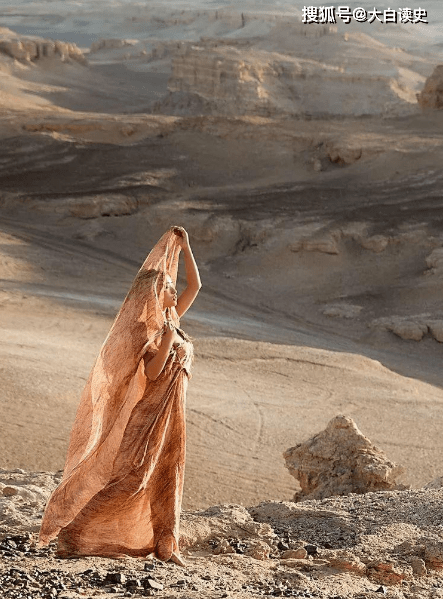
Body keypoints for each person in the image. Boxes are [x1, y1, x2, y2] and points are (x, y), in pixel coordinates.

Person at [37, 226, 201, 566]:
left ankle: (166, 544)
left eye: (172, 286)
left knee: (168, 473)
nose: (174, 289)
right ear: (156, 294)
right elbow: (152, 374)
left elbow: (196, 286)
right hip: (148, 416)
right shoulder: (148, 330)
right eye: (167, 286)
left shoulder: (172, 318)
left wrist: (185, 248)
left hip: (173, 414)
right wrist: (168, 340)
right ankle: (73, 532)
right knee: (134, 478)